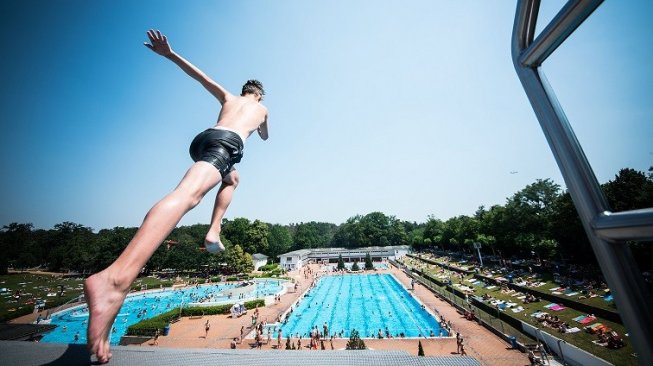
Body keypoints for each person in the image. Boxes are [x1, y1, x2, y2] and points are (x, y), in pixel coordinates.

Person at [84, 29, 269, 364]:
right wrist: (262, 123)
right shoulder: (262, 109)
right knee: (188, 195)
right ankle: (114, 279)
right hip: (227, 144)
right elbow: (266, 136)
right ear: (260, 95)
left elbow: (201, 76)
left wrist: (170, 53)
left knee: (233, 178)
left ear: (244, 92)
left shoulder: (229, 98)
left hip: (205, 139)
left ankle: (103, 334)